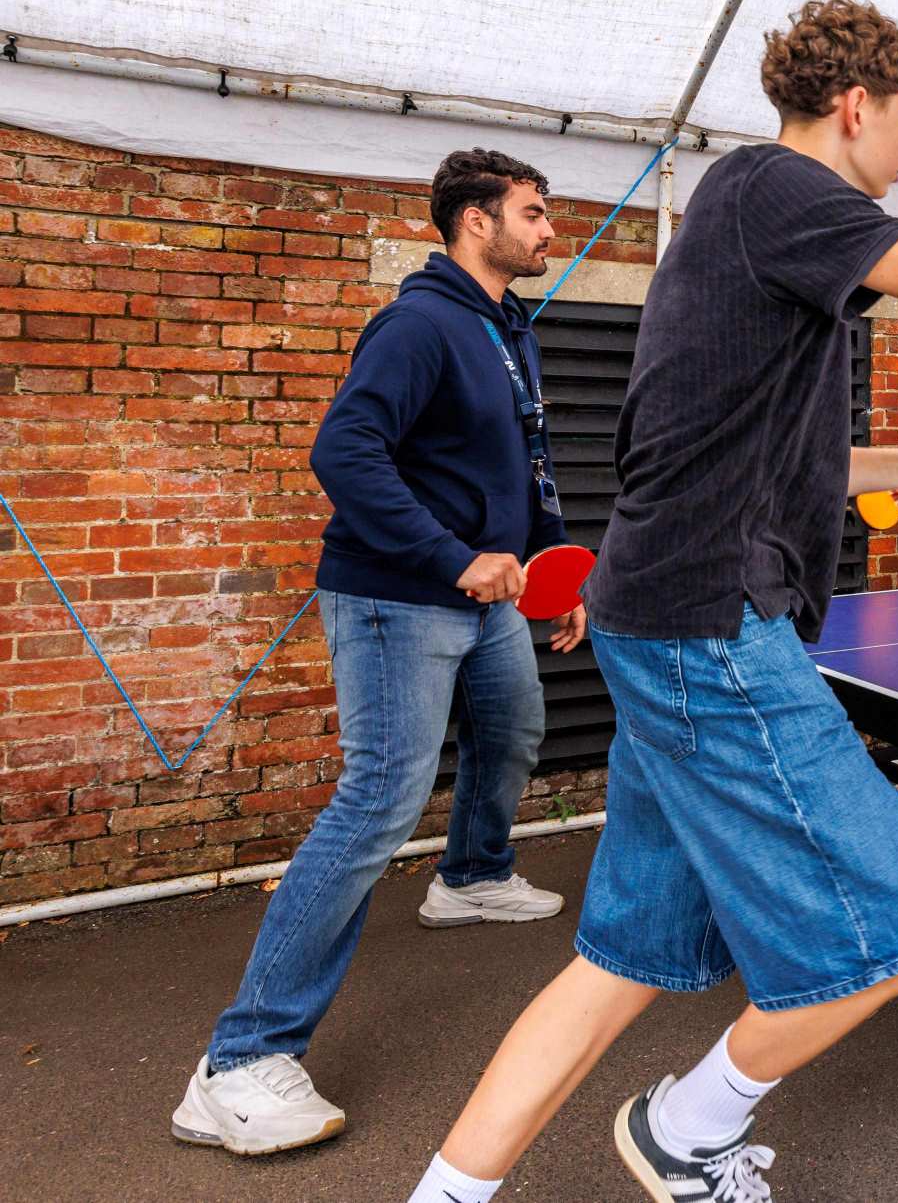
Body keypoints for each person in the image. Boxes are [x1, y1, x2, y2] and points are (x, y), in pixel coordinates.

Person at [402, 0, 898, 1203]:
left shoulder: (753, 233)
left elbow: (759, 452)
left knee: (619, 963)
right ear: (857, 106)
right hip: (712, 632)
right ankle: (689, 1131)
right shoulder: (778, 188)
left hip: (658, 619)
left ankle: (443, 1197)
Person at [175, 150, 587, 1158]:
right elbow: (342, 450)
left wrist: (550, 572)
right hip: (396, 597)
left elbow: (521, 459)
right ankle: (237, 1063)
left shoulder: (506, 329)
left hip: (486, 595)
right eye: (532, 214)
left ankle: (473, 875)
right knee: (377, 802)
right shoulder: (419, 324)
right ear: (473, 222)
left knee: (513, 725)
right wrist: (453, 560)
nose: (548, 232)